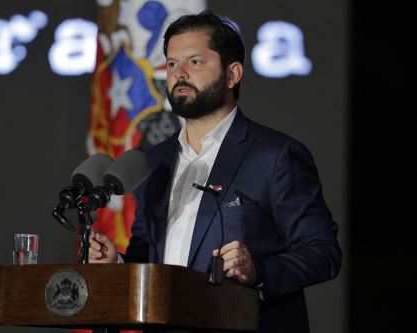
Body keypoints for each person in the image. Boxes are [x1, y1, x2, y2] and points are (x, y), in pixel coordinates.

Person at [89, 10, 341, 333]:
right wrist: (119, 264)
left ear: (233, 74)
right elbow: (149, 256)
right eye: (171, 64)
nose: (179, 73)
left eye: (194, 62)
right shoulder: (156, 160)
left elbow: (324, 253)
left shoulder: (276, 155)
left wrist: (259, 271)